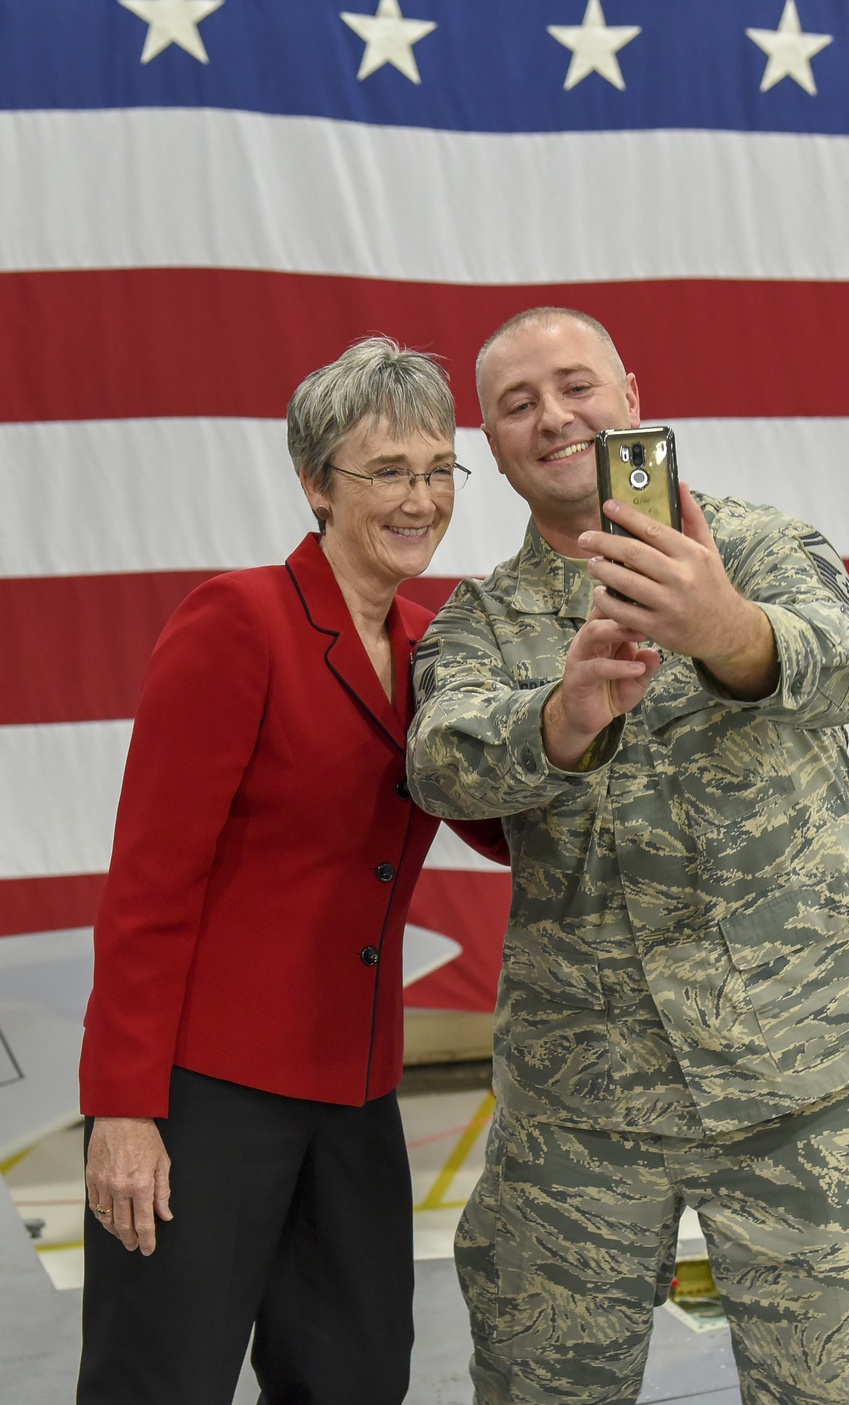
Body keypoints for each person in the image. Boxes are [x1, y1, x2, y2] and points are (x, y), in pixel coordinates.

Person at [406, 307, 849, 1405]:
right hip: (584, 1106)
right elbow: (439, 761)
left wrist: (728, 630)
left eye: (575, 385)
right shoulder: (478, 620)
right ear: (495, 446)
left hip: (812, 1079)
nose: (553, 415)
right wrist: (558, 718)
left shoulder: (750, 546)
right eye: (517, 404)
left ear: (631, 400)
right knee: (538, 1389)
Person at [77, 337, 506, 1405]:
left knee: (356, 1377)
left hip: (353, 1089)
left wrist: (580, 713)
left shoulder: (434, 647)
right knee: (160, 1382)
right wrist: (124, 1108)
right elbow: (149, 882)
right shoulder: (240, 621)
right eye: (387, 471)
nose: (420, 498)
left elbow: (493, 824)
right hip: (203, 1093)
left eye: (439, 468)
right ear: (315, 481)